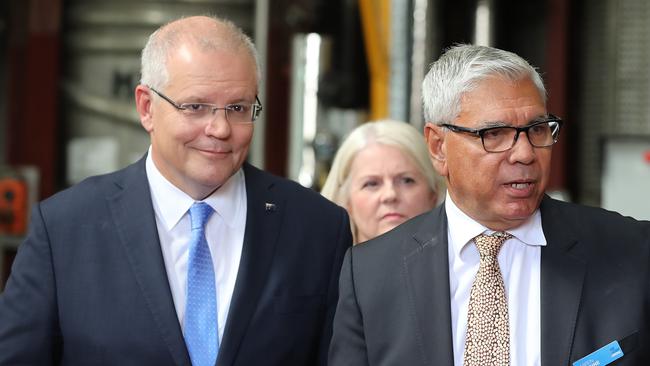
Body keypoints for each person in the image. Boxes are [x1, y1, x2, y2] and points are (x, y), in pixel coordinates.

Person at [0, 15, 352, 366]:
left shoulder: (317, 228)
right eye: (196, 107)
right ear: (147, 107)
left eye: (238, 108)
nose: (219, 128)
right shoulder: (65, 228)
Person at [329, 44, 650, 365]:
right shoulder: (371, 274)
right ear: (438, 147)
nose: (525, 153)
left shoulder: (632, 253)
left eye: (537, 129)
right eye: (494, 133)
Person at [321, 119, 441, 244]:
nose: (390, 195)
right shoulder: (321, 263)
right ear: (347, 201)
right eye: (372, 184)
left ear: (434, 193)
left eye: (407, 180)